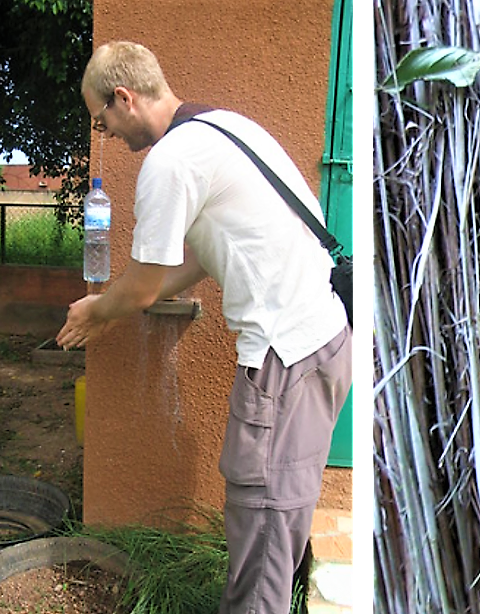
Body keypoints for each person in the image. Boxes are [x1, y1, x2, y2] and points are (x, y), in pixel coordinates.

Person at [57, 41, 352, 613]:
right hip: (323, 339)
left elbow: (143, 285)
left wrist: (97, 310)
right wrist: (128, 300)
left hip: (284, 359)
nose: (107, 135)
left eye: (104, 120)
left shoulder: (170, 161)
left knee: (262, 526)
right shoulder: (221, 127)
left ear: (125, 97)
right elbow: (187, 263)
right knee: (278, 520)